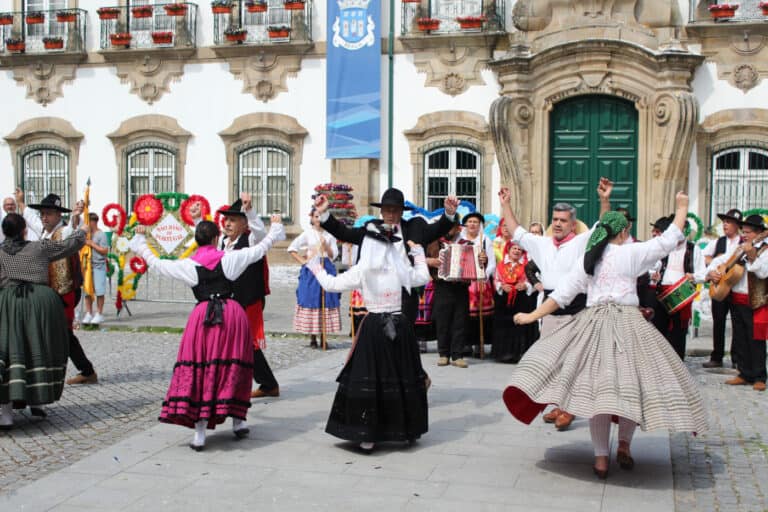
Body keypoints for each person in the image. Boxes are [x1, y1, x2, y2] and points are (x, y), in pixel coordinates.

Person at [503, 189, 707, 479]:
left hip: (594, 325)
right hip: (628, 325)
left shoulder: (589, 259)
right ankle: (623, 445)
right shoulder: (631, 253)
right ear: (623, 232)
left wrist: (532, 315)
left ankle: (601, 459)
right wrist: (682, 206)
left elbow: (560, 295)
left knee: (599, 395)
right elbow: (668, 239)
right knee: (628, 389)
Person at [130, 216, 285, 450]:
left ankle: (199, 433)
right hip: (231, 316)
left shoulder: (188, 265)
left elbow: (157, 263)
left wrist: (141, 241)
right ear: (215, 239)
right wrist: (275, 228)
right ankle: (238, 421)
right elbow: (259, 250)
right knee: (234, 365)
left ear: (197, 240)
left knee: (201, 368)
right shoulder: (229, 259)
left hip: (203, 319)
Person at [306, 221, 431, 453]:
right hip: (398, 325)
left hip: (375, 326)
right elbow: (423, 276)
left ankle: (368, 435)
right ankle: (407, 430)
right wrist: (418, 251)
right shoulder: (399, 268)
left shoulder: (364, 270)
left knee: (372, 378)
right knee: (401, 376)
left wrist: (315, 267)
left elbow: (332, 285)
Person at [499, 177, 613, 431]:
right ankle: (558, 403)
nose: (558, 224)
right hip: (549, 309)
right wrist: (505, 204)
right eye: (555, 219)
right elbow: (516, 230)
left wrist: (604, 200)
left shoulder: (581, 242)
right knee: (553, 361)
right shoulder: (541, 244)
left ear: (573, 223)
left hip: (576, 309)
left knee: (574, 361)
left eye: (563, 220)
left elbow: (602, 228)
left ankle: (569, 409)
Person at [314, 188, 458, 324]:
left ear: (402, 212)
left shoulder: (416, 227)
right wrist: (324, 213)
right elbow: (344, 232)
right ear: (381, 212)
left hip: (406, 290)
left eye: (395, 211)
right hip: (379, 291)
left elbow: (438, 229)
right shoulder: (371, 229)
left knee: (403, 334)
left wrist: (449, 213)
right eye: (387, 210)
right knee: (381, 335)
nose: (390, 214)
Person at [0, 213, 85, 429]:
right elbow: (70, 245)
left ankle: (6, 414)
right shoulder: (39, 247)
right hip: (38, 303)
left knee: (10, 352)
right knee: (38, 347)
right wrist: (80, 228)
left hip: (7, 304)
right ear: (24, 230)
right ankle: (37, 402)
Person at [23, 193, 98, 386]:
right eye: (42, 214)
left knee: (63, 333)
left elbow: (72, 231)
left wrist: (75, 217)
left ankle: (83, 371)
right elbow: (32, 221)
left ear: (58, 215)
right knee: (61, 334)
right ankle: (84, 370)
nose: (44, 217)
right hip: (53, 291)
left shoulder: (62, 231)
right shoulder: (45, 233)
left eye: (48, 213)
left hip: (65, 291)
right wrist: (20, 202)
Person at [218, 195, 282, 399]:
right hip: (231, 299)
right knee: (237, 342)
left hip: (249, 298)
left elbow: (262, 234)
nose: (227, 223)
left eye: (233, 219)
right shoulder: (223, 242)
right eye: (226, 219)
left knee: (248, 343)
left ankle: (264, 383)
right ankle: (266, 383)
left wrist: (251, 210)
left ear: (244, 223)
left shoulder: (251, 239)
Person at [707, 214, 768, 391]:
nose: (745, 235)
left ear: (759, 233)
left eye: (748, 232)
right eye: (744, 231)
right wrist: (714, 272)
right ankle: (744, 373)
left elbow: (763, 272)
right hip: (736, 298)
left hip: (755, 301)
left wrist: (752, 258)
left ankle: (759, 376)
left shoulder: (765, 250)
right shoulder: (740, 248)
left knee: (755, 339)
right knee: (740, 338)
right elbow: (723, 262)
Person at [648, 215, 706, 360]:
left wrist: (693, 277)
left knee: (679, 332)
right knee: (659, 330)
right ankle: (660, 364)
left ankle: (678, 363)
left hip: (682, 294)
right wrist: (652, 275)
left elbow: (703, 272)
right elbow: (649, 266)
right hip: (661, 293)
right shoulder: (663, 246)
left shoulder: (694, 249)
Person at [288, 208, 341, 348]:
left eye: (320, 216)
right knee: (312, 299)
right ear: (311, 218)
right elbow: (292, 248)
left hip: (326, 267)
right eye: (316, 216)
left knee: (326, 299)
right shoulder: (308, 234)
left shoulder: (330, 235)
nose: (318, 219)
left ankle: (324, 336)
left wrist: (326, 246)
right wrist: (302, 261)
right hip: (311, 270)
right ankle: (312, 337)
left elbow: (333, 255)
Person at [701, 209, 743, 368]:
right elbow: (704, 256)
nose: (725, 224)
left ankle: (736, 358)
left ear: (737, 225)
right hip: (720, 286)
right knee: (718, 321)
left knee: (737, 323)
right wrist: (716, 263)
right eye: (724, 221)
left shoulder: (742, 243)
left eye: (729, 222)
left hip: (736, 286)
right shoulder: (718, 242)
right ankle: (717, 356)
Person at [427, 218, 469, 368]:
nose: (447, 230)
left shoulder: (467, 245)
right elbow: (420, 259)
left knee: (460, 320)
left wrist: (482, 259)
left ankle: (457, 355)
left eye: (450, 228)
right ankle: (443, 354)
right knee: (442, 320)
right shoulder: (434, 243)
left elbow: (478, 264)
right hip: (442, 285)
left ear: (458, 228)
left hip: (461, 287)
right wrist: (431, 261)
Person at [491, 239, 539, 363]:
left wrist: (525, 285)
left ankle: (517, 353)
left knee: (519, 325)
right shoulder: (501, 265)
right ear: (509, 250)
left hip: (521, 299)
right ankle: (503, 353)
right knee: (504, 324)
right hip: (504, 299)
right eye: (514, 249)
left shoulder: (526, 266)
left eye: (519, 249)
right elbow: (496, 279)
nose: (517, 251)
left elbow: (533, 281)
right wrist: (502, 286)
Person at [461, 212, 495, 360]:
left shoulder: (485, 240)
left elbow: (492, 263)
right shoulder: (460, 239)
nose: (472, 224)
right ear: (466, 224)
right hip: (463, 281)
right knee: (463, 315)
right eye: (470, 221)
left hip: (480, 282)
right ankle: (464, 344)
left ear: (479, 225)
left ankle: (478, 344)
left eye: (475, 222)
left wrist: (484, 277)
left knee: (480, 316)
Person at [82, 213, 109, 325]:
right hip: (88, 266)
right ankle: (89, 312)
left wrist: (92, 244)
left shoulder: (101, 235)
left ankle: (99, 313)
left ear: (94, 222)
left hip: (99, 266)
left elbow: (104, 250)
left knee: (99, 291)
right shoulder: (86, 235)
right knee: (87, 291)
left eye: (89, 222)